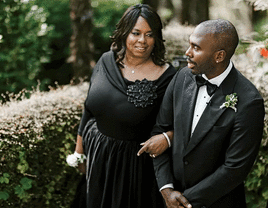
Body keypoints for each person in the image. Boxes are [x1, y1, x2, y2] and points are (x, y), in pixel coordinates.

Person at [140, 19, 265, 208]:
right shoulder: (182, 77)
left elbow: (235, 169)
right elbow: (161, 130)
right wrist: (166, 189)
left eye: (196, 48)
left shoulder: (249, 101)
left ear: (219, 56)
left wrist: (184, 202)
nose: (187, 53)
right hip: (168, 199)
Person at [71, 4, 177, 208]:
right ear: (124, 33)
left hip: (134, 168)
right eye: (135, 33)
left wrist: (168, 137)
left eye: (149, 34)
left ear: (157, 38)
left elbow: (183, 121)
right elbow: (89, 108)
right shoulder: (106, 61)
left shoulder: (168, 77)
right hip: (98, 157)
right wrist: (79, 152)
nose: (142, 41)